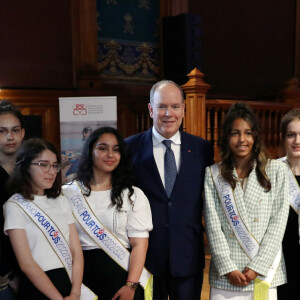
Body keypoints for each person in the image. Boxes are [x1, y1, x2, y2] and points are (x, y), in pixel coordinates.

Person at [125, 80, 214, 300]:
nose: (168, 114)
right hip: (145, 259)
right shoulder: (129, 148)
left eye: (175, 106)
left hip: (187, 256)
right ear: (150, 109)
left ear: (184, 109)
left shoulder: (202, 149)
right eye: (162, 106)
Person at [204, 103, 289, 300]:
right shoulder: (213, 174)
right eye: (235, 133)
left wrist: (256, 267)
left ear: (255, 137)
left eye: (248, 133)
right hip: (227, 275)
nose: (242, 139)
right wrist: (227, 267)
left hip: (262, 273)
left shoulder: (275, 171)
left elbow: (278, 223)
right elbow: (213, 224)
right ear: (227, 137)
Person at [62, 127, 153, 300]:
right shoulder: (68, 193)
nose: (110, 154)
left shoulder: (132, 195)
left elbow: (140, 245)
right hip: (82, 281)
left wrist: (131, 285)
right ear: (90, 151)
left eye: (116, 149)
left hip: (124, 282)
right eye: (103, 148)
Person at [3, 138, 83, 300]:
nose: (52, 171)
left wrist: (75, 293)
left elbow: (76, 252)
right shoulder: (14, 205)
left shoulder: (61, 200)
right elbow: (26, 264)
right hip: (37, 288)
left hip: (69, 285)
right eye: (43, 164)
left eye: (54, 165)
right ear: (25, 167)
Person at [0, 100, 25, 299]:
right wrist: (8, 274)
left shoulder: (32, 172)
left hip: (33, 269)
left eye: (15, 130)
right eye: (2, 131)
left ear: (22, 133)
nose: (10, 137)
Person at [277, 109, 300, 300]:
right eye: (291, 135)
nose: (297, 141)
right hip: (280, 259)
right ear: (283, 138)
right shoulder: (272, 171)